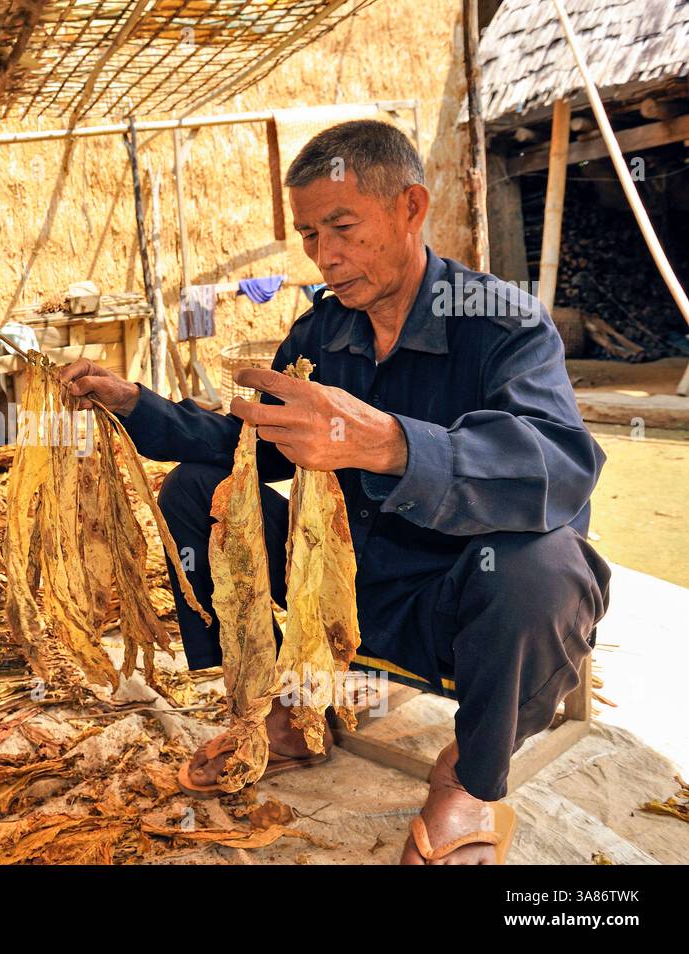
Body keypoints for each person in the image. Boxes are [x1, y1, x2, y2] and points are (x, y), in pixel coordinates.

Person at [59, 119, 610, 865]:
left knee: (540, 568)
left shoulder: (501, 322)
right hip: (342, 591)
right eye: (311, 234)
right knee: (199, 491)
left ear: (412, 207)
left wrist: (393, 443)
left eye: (343, 226)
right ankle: (286, 707)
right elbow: (244, 444)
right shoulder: (321, 335)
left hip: (458, 602)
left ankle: (468, 780)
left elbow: (559, 461)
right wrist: (135, 405)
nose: (325, 254)